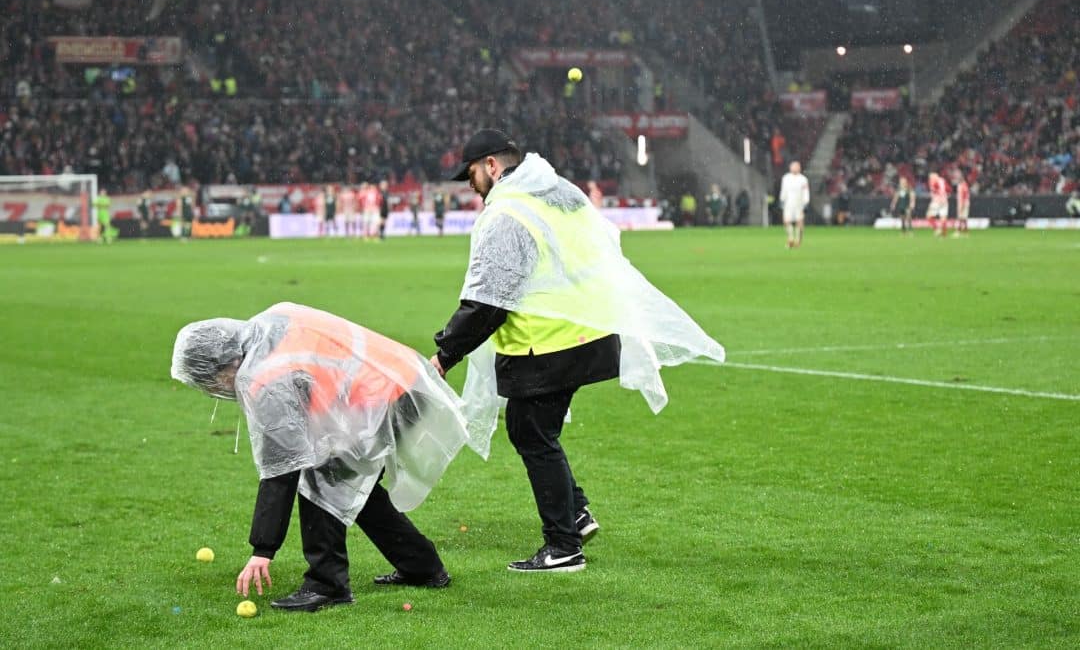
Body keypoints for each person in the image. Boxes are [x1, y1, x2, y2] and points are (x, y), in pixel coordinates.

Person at [431, 129, 725, 573]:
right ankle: (575, 513)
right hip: (585, 331)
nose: (469, 183)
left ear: (491, 165)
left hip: (546, 340)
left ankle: (563, 544)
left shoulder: (508, 212)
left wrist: (444, 355)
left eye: (471, 173)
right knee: (533, 429)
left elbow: (489, 300)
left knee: (531, 431)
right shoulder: (555, 193)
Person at [170, 303, 473, 612]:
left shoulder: (262, 376)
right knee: (352, 486)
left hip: (382, 397)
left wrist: (263, 549)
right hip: (400, 380)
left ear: (221, 366)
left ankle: (327, 585)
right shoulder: (266, 325)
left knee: (322, 478)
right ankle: (422, 567)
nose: (215, 389)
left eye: (209, 382)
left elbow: (282, 467)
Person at [779, 161, 810, 248]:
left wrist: (806, 202)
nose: (794, 168)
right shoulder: (786, 178)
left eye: (796, 167)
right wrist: (782, 200)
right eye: (793, 166)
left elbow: (806, 192)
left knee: (799, 222)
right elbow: (783, 190)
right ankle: (790, 239)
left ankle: (798, 241)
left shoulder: (803, 179)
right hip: (788, 203)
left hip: (799, 203)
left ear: (799, 168)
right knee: (786, 221)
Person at [927, 172, 950, 237]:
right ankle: (944, 235)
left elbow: (934, 191)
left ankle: (937, 229)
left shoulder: (933, 181)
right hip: (944, 201)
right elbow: (948, 189)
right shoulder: (942, 180)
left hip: (937, 201)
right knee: (943, 217)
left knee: (929, 216)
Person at [953, 172, 970, 237]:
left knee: (961, 218)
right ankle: (965, 232)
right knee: (964, 218)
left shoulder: (962, 185)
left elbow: (963, 196)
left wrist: (962, 205)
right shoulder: (964, 185)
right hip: (964, 203)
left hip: (963, 203)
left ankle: (958, 231)